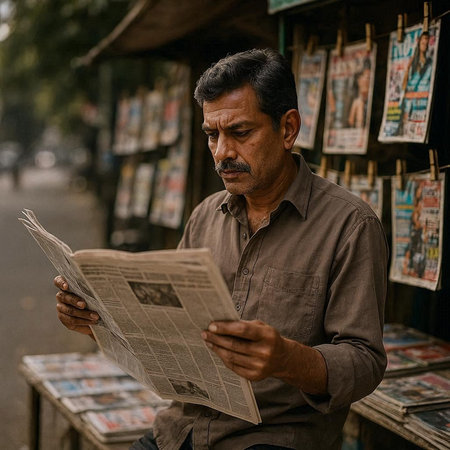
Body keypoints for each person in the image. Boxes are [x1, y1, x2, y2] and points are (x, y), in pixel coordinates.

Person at [54, 48, 388, 450]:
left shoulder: (350, 225)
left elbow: (365, 361)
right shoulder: (204, 217)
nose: (222, 152)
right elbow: (165, 333)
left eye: (240, 133)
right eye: (212, 135)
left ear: (287, 129)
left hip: (275, 438)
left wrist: (287, 359)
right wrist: (98, 322)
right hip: (182, 430)